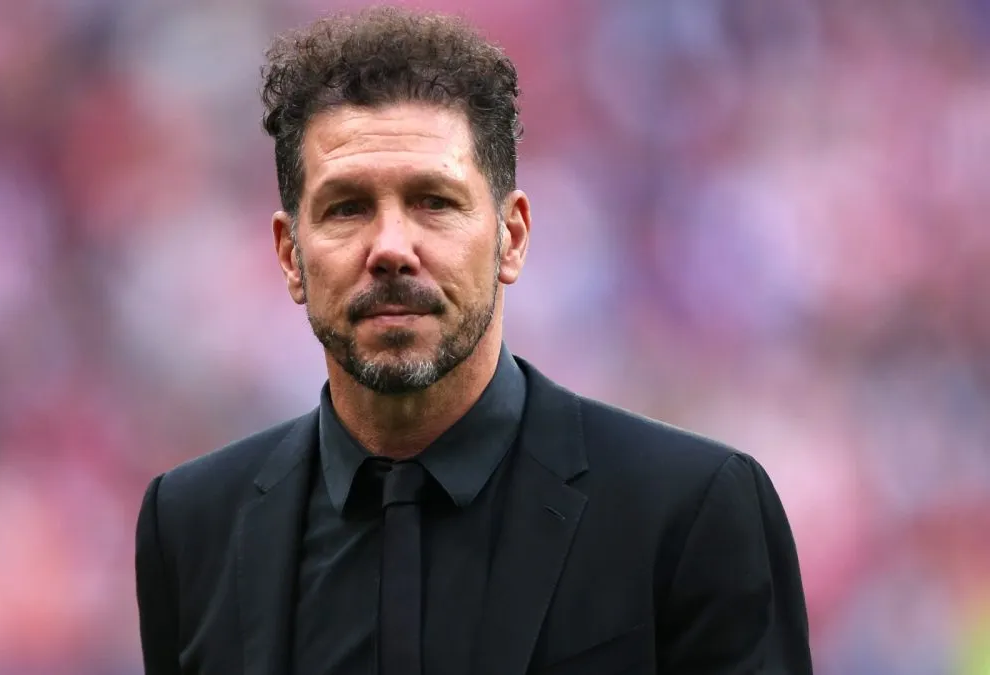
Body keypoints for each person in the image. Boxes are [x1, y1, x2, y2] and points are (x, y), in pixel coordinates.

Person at [134, 6, 812, 675]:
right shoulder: (191, 527)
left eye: (434, 201)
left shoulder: (689, 510)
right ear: (289, 256)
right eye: (347, 208)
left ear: (510, 236)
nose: (392, 248)